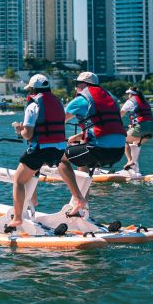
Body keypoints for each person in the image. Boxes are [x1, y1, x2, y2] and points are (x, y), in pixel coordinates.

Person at [7, 74, 73, 229]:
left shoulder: (33, 105)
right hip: (58, 150)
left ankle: (17, 218)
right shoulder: (58, 103)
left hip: (41, 149)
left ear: (32, 89)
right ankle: (33, 201)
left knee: (18, 180)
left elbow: (28, 135)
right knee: (32, 168)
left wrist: (19, 130)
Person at [58, 72, 127, 215]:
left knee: (61, 159)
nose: (75, 88)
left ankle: (79, 200)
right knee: (82, 163)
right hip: (119, 151)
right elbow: (103, 124)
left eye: (76, 84)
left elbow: (57, 122)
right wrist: (78, 136)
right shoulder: (109, 98)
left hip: (99, 149)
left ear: (83, 85)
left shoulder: (82, 99)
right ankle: (84, 208)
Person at [121, 86, 153, 172]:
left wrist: (116, 122)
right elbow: (143, 117)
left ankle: (130, 161)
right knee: (136, 142)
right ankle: (135, 168)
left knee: (124, 140)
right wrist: (132, 126)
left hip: (140, 127)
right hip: (152, 128)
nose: (128, 96)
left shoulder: (131, 101)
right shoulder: (145, 102)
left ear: (131, 94)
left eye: (129, 94)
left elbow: (122, 112)